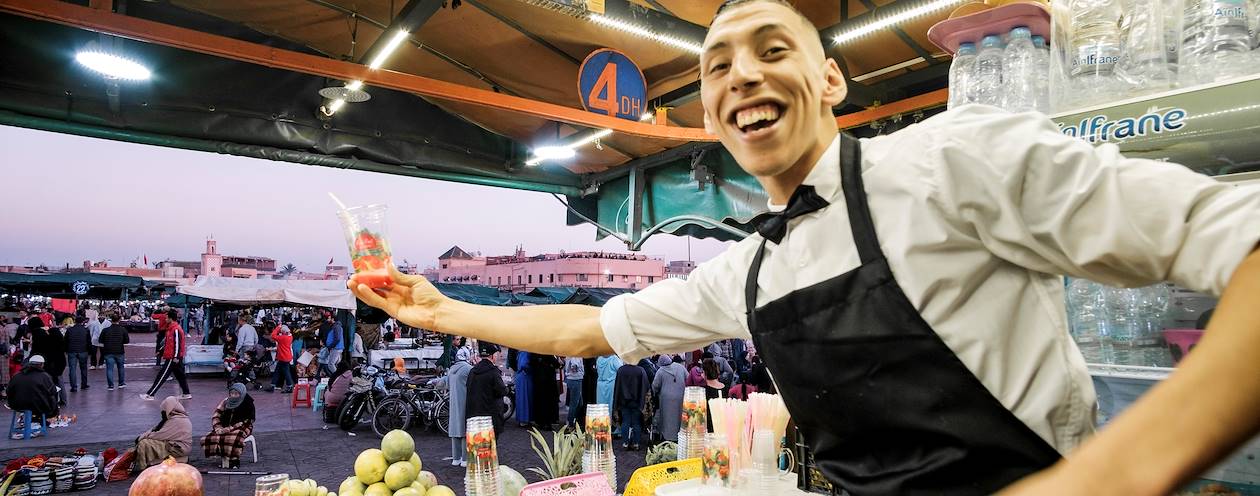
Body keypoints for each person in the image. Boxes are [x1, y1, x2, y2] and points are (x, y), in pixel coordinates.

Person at [350, 1, 1260, 492]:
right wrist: (443, 308)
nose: (742, 73)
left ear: (830, 78)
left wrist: (1111, 479)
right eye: (716, 66)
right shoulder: (752, 269)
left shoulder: (957, 156)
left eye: (771, 48)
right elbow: (592, 331)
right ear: (709, 115)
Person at [430, 347, 473, 466]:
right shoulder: (469, 369)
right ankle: (465, 459)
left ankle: (456, 458)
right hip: (465, 401)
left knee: (454, 428)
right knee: (465, 428)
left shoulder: (452, 369)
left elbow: (446, 384)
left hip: (453, 402)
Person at [202, 383, 256, 469]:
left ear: (241, 394)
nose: (233, 396)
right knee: (211, 437)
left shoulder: (248, 403)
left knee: (234, 438)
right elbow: (216, 415)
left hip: (242, 426)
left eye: (236, 394)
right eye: (232, 393)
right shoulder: (226, 402)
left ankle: (234, 461)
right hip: (224, 426)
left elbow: (247, 420)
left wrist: (229, 429)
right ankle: (225, 459)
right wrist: (218, 427)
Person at [143, 310, 190, 401]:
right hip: (174, 356)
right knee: (180, 376)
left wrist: (175, 356)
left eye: (167, 317)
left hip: (172, 357)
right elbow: (168, 342)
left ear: (170, 318)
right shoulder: (172, 328)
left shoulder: (175, 329)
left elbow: (177, 344)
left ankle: (150, 394)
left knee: (162, 375)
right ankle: (186, 393)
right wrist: (161, 351)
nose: (165, 319)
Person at [134, 396, 193, 468]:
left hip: (179, 449)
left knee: (145, 443)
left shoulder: (177, 420)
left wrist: (141, 437)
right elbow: (156, 430)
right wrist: (143, 435)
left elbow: (159, 435)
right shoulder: (175, 418)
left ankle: (146, 464)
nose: (163, 412)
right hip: (175, 446)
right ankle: (153, 461)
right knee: (147, 441)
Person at [465, 342, 509, 437]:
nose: (498, 356)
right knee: (491, 447)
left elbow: (468, 386)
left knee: (478, 447)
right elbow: (502, 391)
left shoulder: (473, 370)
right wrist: (506, 388)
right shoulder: (493, 372)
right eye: (497, 354)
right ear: (493, 356)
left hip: (474, 416)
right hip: (491, 417)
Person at [6, 355, 58, 420]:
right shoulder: (45, 376)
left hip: (16, 405)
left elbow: (8, 390)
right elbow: (53, 391)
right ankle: (50, 416)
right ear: (41, 365)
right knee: (52, 396)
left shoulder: (17, 375)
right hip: (38, 406)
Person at [29, 317, 66, 405]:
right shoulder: (57, 339)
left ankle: (54, 400)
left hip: (50, 363)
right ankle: (62, 400)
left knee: (51, 381)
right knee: (59, 381)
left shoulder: (39, 335)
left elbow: (37, 349)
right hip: (59, 362)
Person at [612, 360, 648, 450]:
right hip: (637, 401)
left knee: (625, 421)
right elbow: (646, 386)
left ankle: (625, 443)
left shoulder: (621, 370)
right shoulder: (640, 370)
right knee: (636, 422)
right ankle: (636, 443)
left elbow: (617, 386)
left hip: (624, 401)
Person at [651, 355, 686, 442]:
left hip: (666, 399)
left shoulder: (661, 371)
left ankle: (668, 436)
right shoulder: (680, 367)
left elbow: (655, 385)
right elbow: (688, 378)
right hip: (681, 396)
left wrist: (655, 393)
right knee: (679, 416)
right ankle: (679, 435)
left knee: (667, 418)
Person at [529, 353, 562, 429]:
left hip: (538, 380)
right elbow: (556, 364)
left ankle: (540, 421)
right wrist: (558, 364)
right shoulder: (547, 352)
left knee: (539, 401)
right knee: (547, 403)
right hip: (548, 380)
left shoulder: (534, 353)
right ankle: (546, 423)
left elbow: (532, 363)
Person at [100, 312, 128, 390]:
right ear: (119, 320)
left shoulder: (105, 330)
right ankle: (121, 383)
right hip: (119, 351)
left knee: (109, 368)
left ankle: (111, 385)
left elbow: (100, 340)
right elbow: (127, 341)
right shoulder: (123, 329)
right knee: (121, 367)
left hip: (108, 351)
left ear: (111, 320)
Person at [64, 315, 91, 392]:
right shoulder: (86, 330)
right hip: (83, 350)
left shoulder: (69, 330)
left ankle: (74, 386)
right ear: (83, 322)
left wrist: (66, 350)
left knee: (72, 369)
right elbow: (89, 342)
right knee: (83, 368)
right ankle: (84, 384)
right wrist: (89, 351)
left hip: (72, 351)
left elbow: (66, 341)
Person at [269, 320, 295, 393]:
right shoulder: (289, 337)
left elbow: (273, 335)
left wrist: (278, 327)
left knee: (286, 372)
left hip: (283, 357)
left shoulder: (282, 338)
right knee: (278, 371)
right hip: (286, 356)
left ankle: (289, 386)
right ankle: (273, 385)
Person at [562, 355, 585, 427]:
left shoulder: (573, 353)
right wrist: (574, 368)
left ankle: (573, 420)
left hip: (574, 379)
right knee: (574, 403)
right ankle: (570, 423)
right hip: (575, 379)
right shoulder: (575, 354)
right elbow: (574, 366)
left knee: (579, 403)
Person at [512, 350, 532, 427]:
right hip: (525, 377)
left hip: (521, 376)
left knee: (522, 399)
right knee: (525, 399)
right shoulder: (525, 353)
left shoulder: (521, 353)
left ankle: (523, 420)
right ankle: (524, 420)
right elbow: (524, 365)